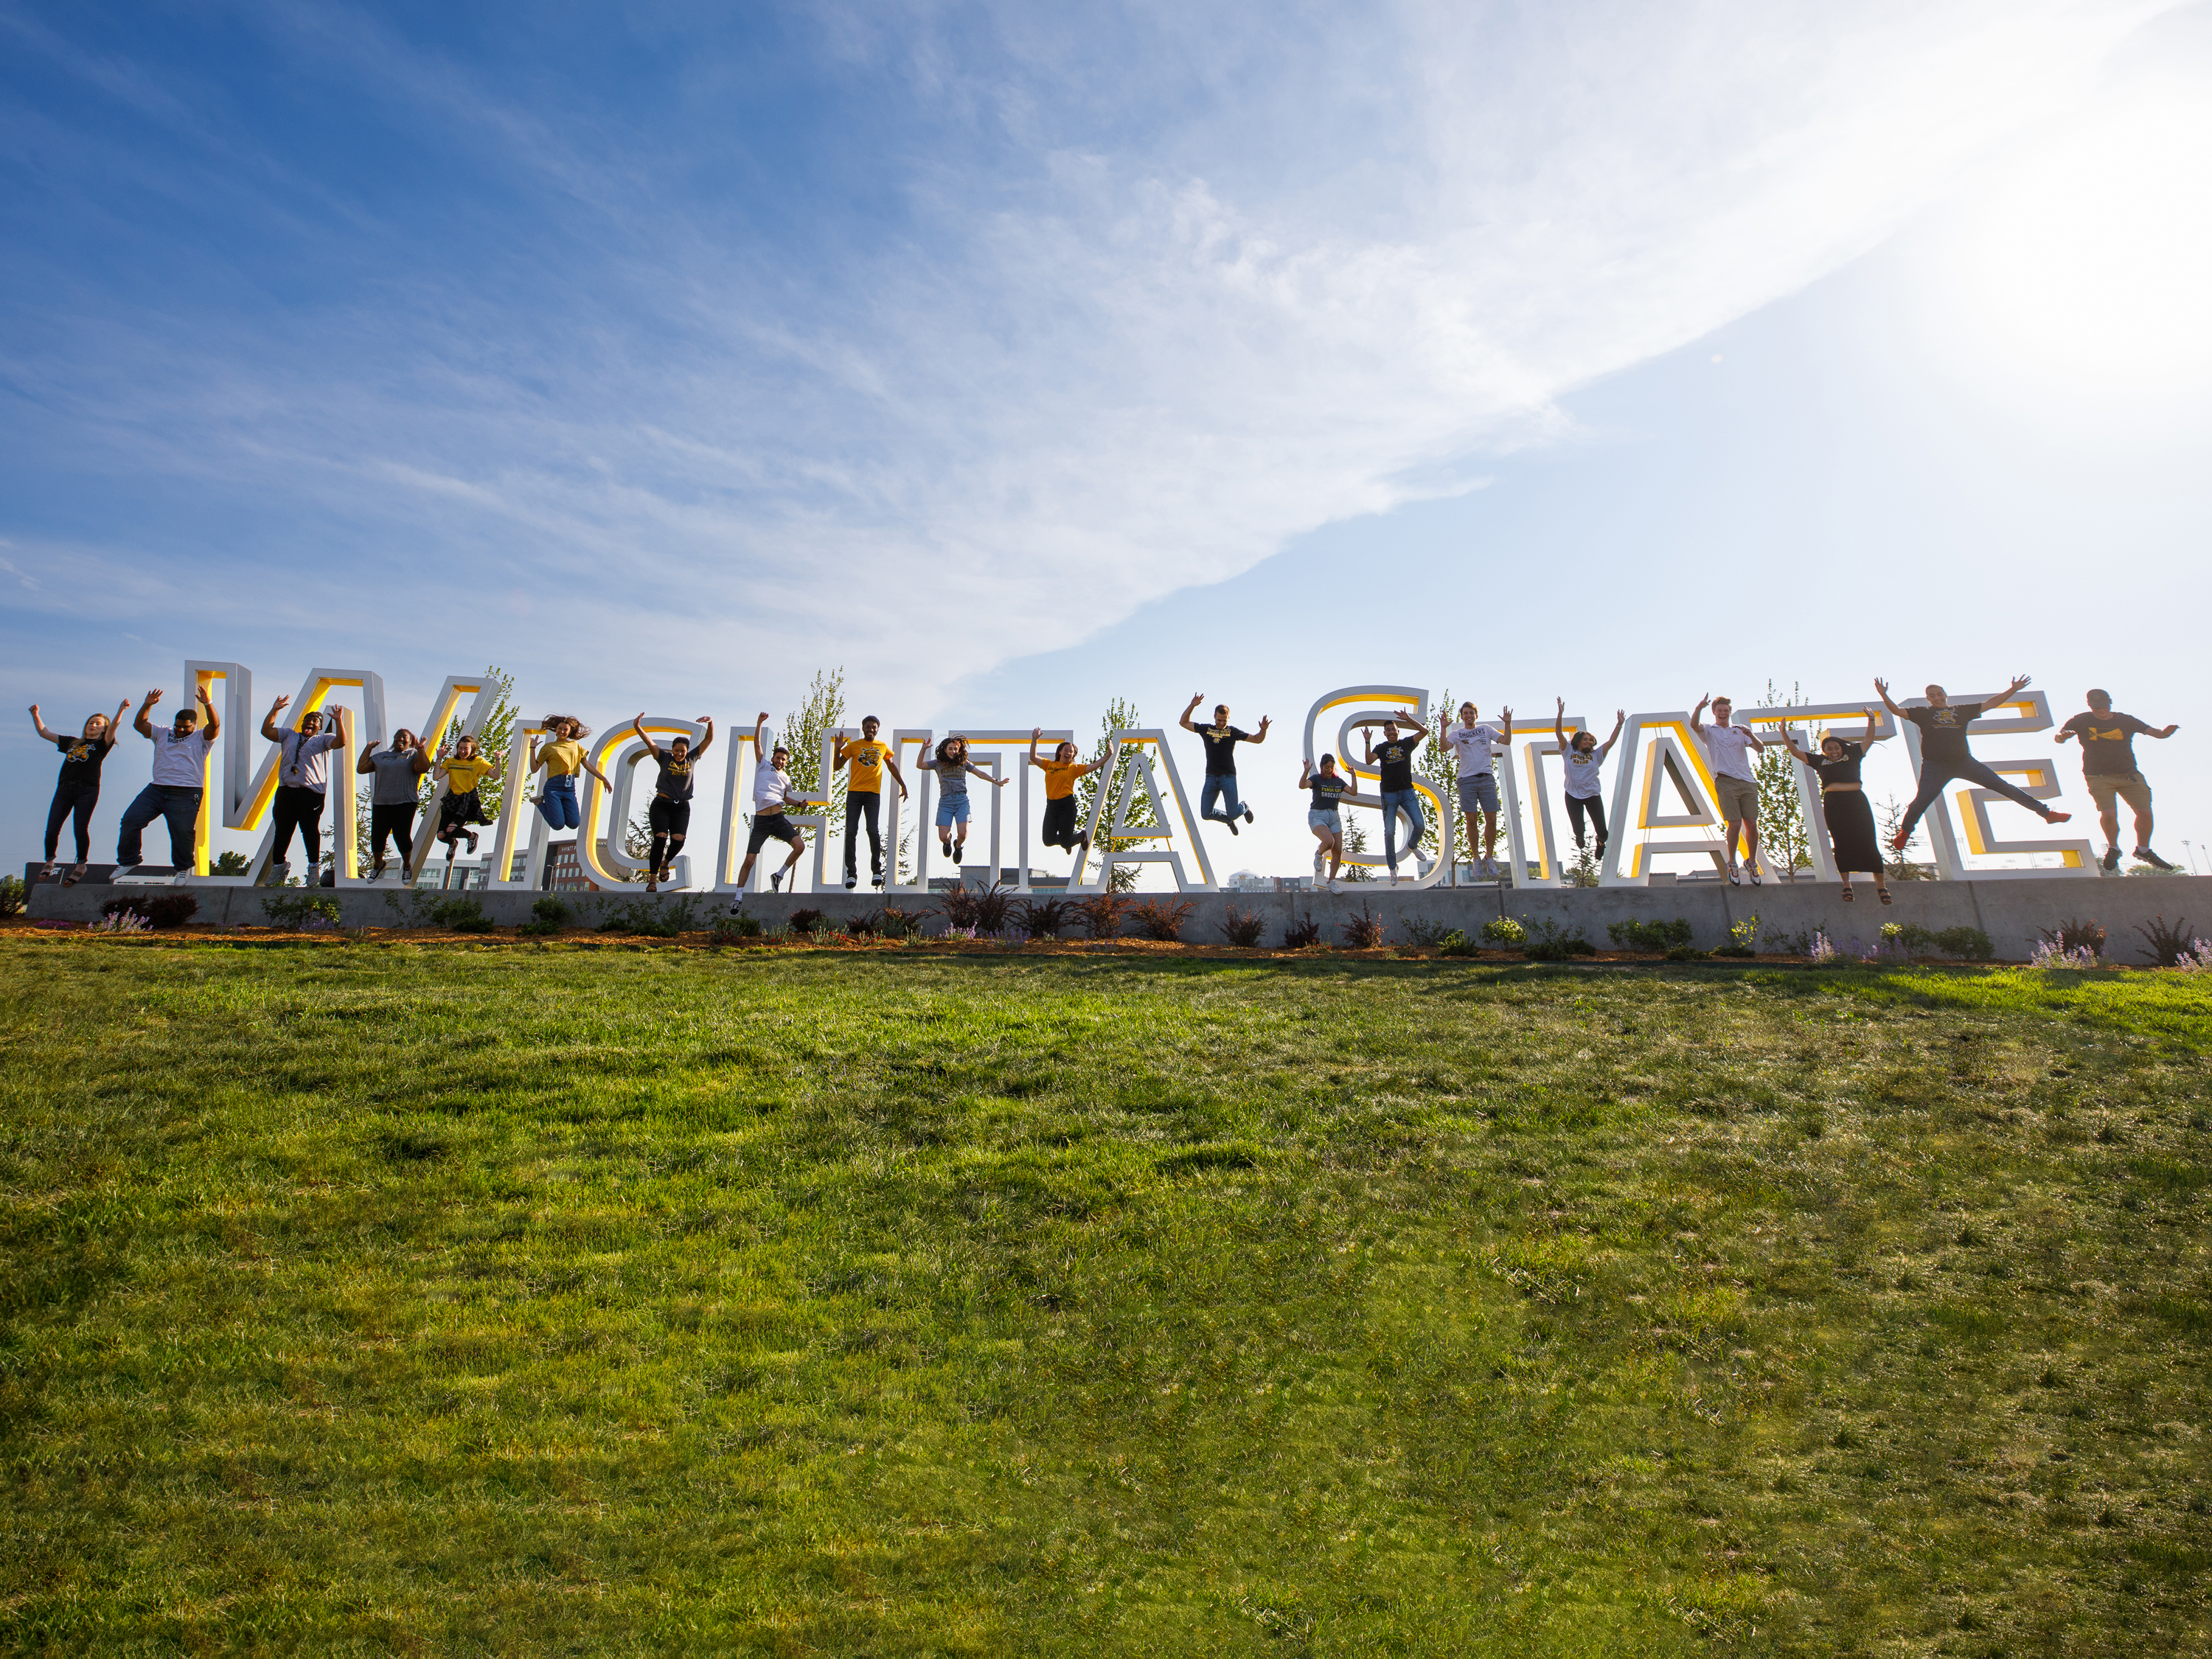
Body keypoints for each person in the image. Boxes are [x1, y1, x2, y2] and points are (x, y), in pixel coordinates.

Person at [1876, 675, 2072, 852]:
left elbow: (1990, 704)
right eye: (1931, 696)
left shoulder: (1962, 711)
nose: (1936, 698)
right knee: (1921, 801)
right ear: (1928, 699)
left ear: (1945, 694)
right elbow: (1897, 711)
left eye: (1939, 694)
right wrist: (1884, 695)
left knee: (2005, 787)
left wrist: (2013, 689)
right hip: (1935, 766)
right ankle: (1905, 832)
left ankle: (2047, 814)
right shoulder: (1922, 713)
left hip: (1964, 762)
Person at [1774, 712, 1893, 904]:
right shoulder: (1820, 761)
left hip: (1857, 801)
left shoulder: (1853, 755)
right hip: (1834, 803)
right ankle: (1847, 885)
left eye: (1837, 747)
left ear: (1841, 748)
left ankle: (1881, 886)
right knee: (1841, 842)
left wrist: (1871, 720)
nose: (1834, 751)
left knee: (1869, 840)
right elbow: (1795, 752)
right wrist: (1783, 733)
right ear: (1824, 751)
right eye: (1829, 749)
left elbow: (1869, 738)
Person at [2056, 689, 2179, 871]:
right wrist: (2063, 736)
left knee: (2145, 813)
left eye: (2104, 706)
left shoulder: (2125, 720)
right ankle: (2113, 848)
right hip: (2098, 776)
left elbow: (2156, 733)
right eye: (2097, 707)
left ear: (2111, 703)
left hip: (2129, 774)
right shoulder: (2080, 721)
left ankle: (2143, 850)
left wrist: (2166, 732)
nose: (2101, 711)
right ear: (2089, 705)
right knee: (2109, 814)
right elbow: (2058, 738)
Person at [116, 684, 221, 871]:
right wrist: (147, 705)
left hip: (187, 792)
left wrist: (208, 704)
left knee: (182, 832)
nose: (180, 730)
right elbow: (139, 725)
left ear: (194, 725)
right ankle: (129, 860)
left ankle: (183, 869)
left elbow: (215, 726)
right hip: (157, 789)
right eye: (177, 726)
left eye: (185, 727)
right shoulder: (162, 733)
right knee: (131, 820)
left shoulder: (201, 738)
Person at [29, 696, 128, 884]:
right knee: (52, 830)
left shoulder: (102, 744)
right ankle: (49, 862)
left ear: (103, 729)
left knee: (80, 829)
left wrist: (121, 710)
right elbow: (44, 733)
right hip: (64, 789)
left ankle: (81, 866)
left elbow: (115, 725)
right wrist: (36, 714)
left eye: (98, 723)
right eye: (91, 722)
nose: (93, 725)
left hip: (88, 790)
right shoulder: (72, 742)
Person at [260, 695, 351, 883]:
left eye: (315, 721)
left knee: (309, 829)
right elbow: (267, 732)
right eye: (307, 720)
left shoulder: (323, 739)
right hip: (287, 790)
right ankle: (279, 866)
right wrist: (275, 709)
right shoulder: (289, 735)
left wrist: (339, 721)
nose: (310, 723)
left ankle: (313, 867)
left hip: (311, 793)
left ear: (320, 726)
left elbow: (341, 743)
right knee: (283, 830)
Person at [629, 712, 715, 891]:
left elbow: (708, 740)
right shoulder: (664, 757)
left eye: (682, 751)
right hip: (661, 804)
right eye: (676, 750)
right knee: (660, 838)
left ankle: (665, 862)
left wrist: (711, 723)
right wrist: (638, 728)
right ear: (672, 749)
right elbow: (650, 743)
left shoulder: (692, 758)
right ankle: (652, 880)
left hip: (682, 807)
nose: (679, 754)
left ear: (687, 751)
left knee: (678, 840)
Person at [1690, 693, 1765, 885]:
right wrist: (1699, 708)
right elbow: (1694, 725)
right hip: (1725, 781)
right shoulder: (1710, 730)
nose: (1723, 713)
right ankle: (1732, 863)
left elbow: (1761, 749)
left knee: (1752, 823)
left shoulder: (1740, 730)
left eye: (1726, 711)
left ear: (1730, 712)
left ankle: (1751, 861)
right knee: (1735, 824)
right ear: (1714, 712)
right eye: (1720, 711)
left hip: (1747, 782)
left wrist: (1750, 734)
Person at [734, 713, 810, 897]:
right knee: (750, 859)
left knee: (800, 846)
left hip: (777, 818)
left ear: (786, 762)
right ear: (773, 757)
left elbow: (785, 798)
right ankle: (738, 895)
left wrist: (799, 804)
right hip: (761, 821)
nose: (780, 761)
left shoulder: (786, 778)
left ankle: (779, 874)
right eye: (778, 757)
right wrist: (759, 722)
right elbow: (757, 744)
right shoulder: (763, 765)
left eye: (783, 759)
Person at [1441, 701, 1514, 878]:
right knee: (1471, 819)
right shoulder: (1457, 734)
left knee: (1492, 819)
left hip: (1487, 778)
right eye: (1465, 713)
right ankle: (1476, 858)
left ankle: (1488, 857)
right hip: (1466, 780)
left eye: (1471, 713)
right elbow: (1444, 748)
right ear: (1462, 716)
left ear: (1476, 715)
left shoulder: (1486, 729)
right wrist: (1443, 728)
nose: (1469, 716)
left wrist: (1507, 723)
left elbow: (1505, 741)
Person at [833, 717, 906, 889]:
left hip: (873, 795)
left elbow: (891, 766)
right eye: (868, 727)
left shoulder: (882, 746)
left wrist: (903, 784)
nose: (871, 730)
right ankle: (851, 873)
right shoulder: (853, 746)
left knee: (872, 830)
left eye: (874, 727)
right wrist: (837, 750)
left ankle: (876, 870)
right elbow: (837, 767)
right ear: (863, 728)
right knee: (851, 831)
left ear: (878, 729)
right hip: (854, 794)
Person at [1179, 695, 1269, 835]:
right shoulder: (1206, 729)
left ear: (1229, 719)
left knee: (1233, 813)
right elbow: (1184, 722)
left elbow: (1257, 740)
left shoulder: (1232, 732)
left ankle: (1244, 807)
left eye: (1224, 721)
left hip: (1228, 778)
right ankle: (1228, 821)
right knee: (1206, 813)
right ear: (1214, 717)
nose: (1221, 723)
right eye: (1219, 720)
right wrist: (1192, 706)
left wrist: (1263, 730)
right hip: (1211, 778)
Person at [1360, 716, 1430, 883]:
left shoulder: (1406, 744)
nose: (1391, 732)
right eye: (1388, 730)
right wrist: (1367, 742)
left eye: (1394, 729)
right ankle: (1393, 868)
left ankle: (1412, 845)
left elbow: (1424, 732)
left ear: (1398, 731)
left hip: (1407, 791)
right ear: (1385, 734)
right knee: (1389, 832)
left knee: (1420, 825)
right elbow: (1369, 761)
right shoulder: (1382, 748)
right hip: (1389, 794)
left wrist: (1408, 718)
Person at [357, 727, 433, 879]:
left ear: (411, 741)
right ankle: (378, 865)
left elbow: (424, 768)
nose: (401, 739)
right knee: (378, 837)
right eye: (398, 736)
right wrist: (368, 749)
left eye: (405, 737)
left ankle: (406, 865)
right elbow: (361, 768)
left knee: (401, 836)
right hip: (382, 802)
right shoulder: (382, 756)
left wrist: (421, 750)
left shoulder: (412, 755)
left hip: (405, 801)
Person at [924, 734, 1008, 869]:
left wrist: (996, 781)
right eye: (950, 749)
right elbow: (919, 765)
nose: (953, 751)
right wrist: (924, 749)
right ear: (945, 750)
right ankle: (948, 842)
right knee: (942, 837)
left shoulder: (964, 762)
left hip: (962, 801)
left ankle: (958, 847)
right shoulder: (938, 763)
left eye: (955, 749)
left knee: (963, 834)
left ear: (959, 750)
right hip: (945, 802)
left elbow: (980, 773)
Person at [1554, 701, 1624, 860]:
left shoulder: (1596, 755)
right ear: (1578, 741)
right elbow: (1559, 733)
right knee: (1579, 830)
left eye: (1591, 740)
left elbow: (1610, 743)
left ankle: (1600, 844)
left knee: (1603, 832)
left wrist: (1619, 725)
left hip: (1592, 795)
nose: (1589, 742)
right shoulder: (1568, 751)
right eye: (1586, 739)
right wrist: (1560, 714)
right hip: (1573, 795)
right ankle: (1580, 836)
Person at [1028, 728, 1098, 866]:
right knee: (1048, 840)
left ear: (1073, 756)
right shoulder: (1050, 765)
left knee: (1065, 842)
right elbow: (1033, 757)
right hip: (1051, 806)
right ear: (1060, 751)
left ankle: (1081, 837)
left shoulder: (1074, 768)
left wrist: (1109, 755)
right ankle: (1069, 839)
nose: (1068, 753)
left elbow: (1095, 765)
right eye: (1066, 750)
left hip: (1067, 806)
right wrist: (1035, 739)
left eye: (1071, 752)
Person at [529, 716, 611, 831]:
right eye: (559, 728)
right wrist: (532, 748)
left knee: (574, 823)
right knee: (558, 825)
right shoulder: (548, 747)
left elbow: (587, 765)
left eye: (565, 729)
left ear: (570, 731)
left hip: (569, 787)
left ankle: (550, 806)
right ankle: (538, 803)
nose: (562, 731)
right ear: (556, 729)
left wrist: (603, 778)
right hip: (553, 787)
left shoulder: (575, 746)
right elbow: (534, 768)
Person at [431, 735, 499, 870]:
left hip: (467, 800)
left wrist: (498, 759)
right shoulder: (451, 761)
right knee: (441, 835)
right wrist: (439, 757)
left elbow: (496, 776)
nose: (462, 751)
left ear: (472, 749)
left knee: (452, 829)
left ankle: (472, 836)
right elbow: (436, 776)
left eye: (466, 749)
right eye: (460, 748)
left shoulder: (478, 762)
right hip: (452, 799)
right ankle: (452, 844)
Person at [1300, 752, 1355, 889]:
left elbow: (1354, 792)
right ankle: (1319, 854)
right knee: (1329, 842)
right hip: (1317, 816)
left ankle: (1331, 882)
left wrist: (1353, 774)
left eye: (1331, 767)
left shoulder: (1338, 782)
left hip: (1334, 817)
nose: (1329, 769)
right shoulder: (1317, 779)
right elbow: (1302, 785)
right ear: (1321, 766)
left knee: (1338, 851)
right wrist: (1306, 771)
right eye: (1326, 767)